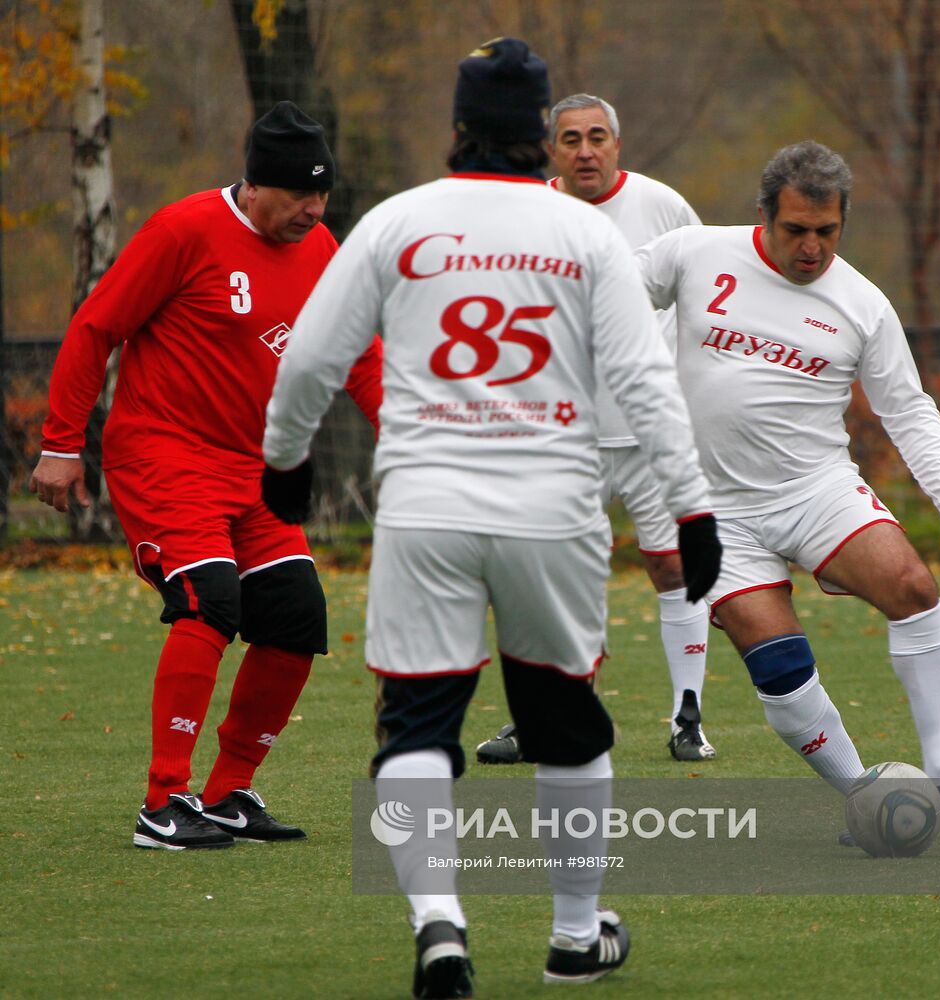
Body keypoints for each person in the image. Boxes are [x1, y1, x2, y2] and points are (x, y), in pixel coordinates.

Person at [262, 39, 721, 997]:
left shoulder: (397, 221)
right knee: (567, 724)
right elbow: (644, 383)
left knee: (417, 729)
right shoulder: (587, 235)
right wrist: (691, 505)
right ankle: (571, 938)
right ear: (542, 137)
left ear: (459, 124)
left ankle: (439, 927)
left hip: (427, 506)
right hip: (551, 508)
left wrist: (286, 462)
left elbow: (308, 359)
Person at [634, 139, 940, 834]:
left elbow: (907, 407)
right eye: (796, 230)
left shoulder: (861, 304)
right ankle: (865, 797)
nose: (813, 248)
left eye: (827, 231)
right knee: (779, 663)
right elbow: (609, 297)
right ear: (763, 214)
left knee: (912, 587)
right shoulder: (693, 253)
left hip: (815, 489)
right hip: (711, 510)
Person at [30, 101, 383, 851]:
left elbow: (360, 356)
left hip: (253, 470)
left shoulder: (321, 247)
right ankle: (165, 803)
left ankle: (228, 794)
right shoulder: (184, 231)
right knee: (209, 600)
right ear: (254, 185)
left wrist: (414, 439)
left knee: (295, 616)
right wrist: (62, 441)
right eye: (298, 195)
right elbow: (97, 327)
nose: (313, 210)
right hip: (163, 453)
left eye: (321, 195)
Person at [475, 93, 715, 767]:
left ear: (618, 144)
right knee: (549, 578)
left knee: (671, 565)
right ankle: (541, 715)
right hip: (560, 436)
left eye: (598, 137)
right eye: (572, 138)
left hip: (646, 435)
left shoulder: (664, 208)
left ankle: (687, 716)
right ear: (552, 148)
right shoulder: (526, 214)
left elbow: (703, 300)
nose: (585, 150)